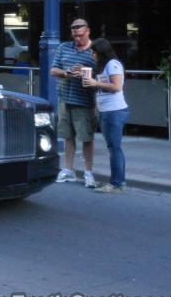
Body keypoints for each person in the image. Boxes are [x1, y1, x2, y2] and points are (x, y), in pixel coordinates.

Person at [50, 18, 98, 188]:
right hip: (65, 99)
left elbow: (102, 76)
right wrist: (67, 73)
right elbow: (53, 69)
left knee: (87, 138)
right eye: (73, 29)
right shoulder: (64, 47)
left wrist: (86, 75)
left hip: (85, 102)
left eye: (79, 28)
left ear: (88, 30)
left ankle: (88, 172)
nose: (76, 32)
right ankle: (69, 170)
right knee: (67, 137)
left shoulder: (95, 51)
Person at [82, 38, 130, 193]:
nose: (92, 55)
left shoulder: (113, 64)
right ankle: (118, 182)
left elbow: (117, 86)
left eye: (94, 52)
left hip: (114, 111)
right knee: (113, 147)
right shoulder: (103, 66)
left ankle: (117, 183)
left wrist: (96, 84)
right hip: (106, 111)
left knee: (114, 148)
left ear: (100, 52)